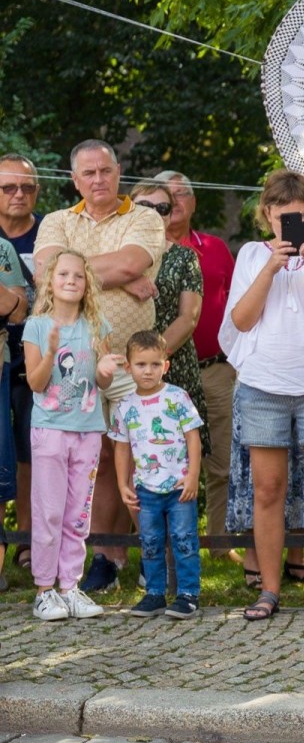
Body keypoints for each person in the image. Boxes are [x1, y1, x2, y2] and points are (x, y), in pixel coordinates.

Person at [218, 169, 304, 623]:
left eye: (300, 219)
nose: (291, 228)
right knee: (268, 490)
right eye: (283, 221)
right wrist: (271, 267)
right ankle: (269, 590)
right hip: (263, 384)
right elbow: (240, 320)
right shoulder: (251, 256)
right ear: (267, 217)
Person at [32, 139, 166, 592]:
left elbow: (130, 261)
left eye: (105, 171)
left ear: (118, 171)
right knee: (101, 462)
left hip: (133, 362)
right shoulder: (56, 220)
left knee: (148, 454)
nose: (97, 180)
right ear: (74, 180)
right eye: (87, 173)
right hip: (76, 365)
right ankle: (108, 557)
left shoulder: (144, 217)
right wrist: (121, 279)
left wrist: (78, 273)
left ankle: (157, 558)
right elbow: (47, 275)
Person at [23, 250, 121, 620]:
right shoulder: (37, 327)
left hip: (87, 432)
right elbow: (35, 382)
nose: (70, 281)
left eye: (78, 276)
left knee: (78, 514)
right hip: (49, 431)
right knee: (48, 512)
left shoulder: (98, 327)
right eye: (63, 274)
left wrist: (107, 369)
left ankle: (70, 586)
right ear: (50, 280)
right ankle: (44, 590)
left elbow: (99, 380)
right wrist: (50, 353)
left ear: (87, 284)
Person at [153, 170, 240, 565]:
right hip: (161, 374)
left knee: (220, 461)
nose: (174, 202)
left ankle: (219, 545)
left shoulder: (217, 248)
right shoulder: (143, 251)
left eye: (182, 194)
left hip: (215, 369)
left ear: (193, 202)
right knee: (159, 460)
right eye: (165, 196)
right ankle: (162, 549)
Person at [110, 330, 203, 618]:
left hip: (179, 486)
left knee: (184, 539)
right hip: (145, 489)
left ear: (166, 365)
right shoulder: (125, 406)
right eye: (140, 365)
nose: (148, 371)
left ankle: (188, 594)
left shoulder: (177, 397)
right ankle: (154, 593)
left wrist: (192, 476)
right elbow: (122, 447)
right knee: (149, 541)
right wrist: (123, 483)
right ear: (128, 367)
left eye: (154, 364)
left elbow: (193, 438)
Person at [129, 182, 209, 457]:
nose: (153, 213)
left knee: (177, 457)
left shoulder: (185, 257)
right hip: (120, 369)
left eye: (161, 208)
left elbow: (189, 317)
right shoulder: (115, 254)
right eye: (144, 207)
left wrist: (150, 363)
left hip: (171, 367)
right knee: (121, 456)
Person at [0, 154, 43, 574]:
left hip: (37, 361)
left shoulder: (49, 232)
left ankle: (28, 541)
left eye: (27, 187)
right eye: (8, 187)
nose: (18, 194)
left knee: (33, 453)